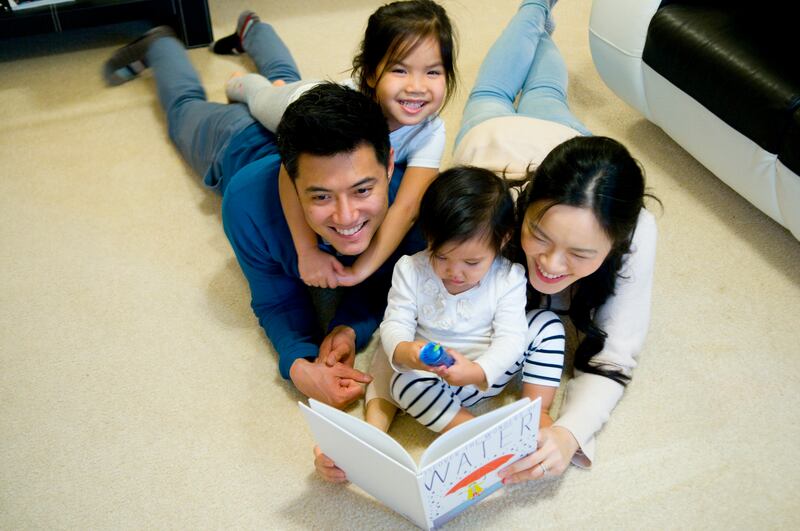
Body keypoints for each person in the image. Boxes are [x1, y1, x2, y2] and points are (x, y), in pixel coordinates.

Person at [102, 28, 425, 409]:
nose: (346, 216)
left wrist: (349, 328)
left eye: (362, 190)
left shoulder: (411, 205)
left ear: (389, 164)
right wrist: (300, 365)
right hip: (234, 139)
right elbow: (276, 299)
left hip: (289, 112)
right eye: (321, 196)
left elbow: (389, 283)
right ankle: (161, 44)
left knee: (284, 87)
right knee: (183, 109)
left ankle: (253, 29)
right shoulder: (247, 203)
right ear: (290, 180)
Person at [450, 0, 659, 483]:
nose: (550, 263)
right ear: (525, 210)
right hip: (493, 140)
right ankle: (535, 7)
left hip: (564, 136)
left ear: (614, 243)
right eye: (538, 236)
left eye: (580, 254)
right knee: (492, 92)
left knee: (546, 91)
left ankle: (540, 20)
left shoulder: (636, 229)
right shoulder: (493, 210)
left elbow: (615, 354)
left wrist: (568, 433)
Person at [314, 165, 565, 483]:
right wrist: (407, 352)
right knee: (403, 381)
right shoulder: (410, 270)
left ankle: (538, 410)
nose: (454, 272)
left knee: (547, 325)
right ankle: (468, 429)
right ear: (428, 237)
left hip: (489, 371)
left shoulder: (508, 277)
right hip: (435, 380)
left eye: (472, 262)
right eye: (441, 256)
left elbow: (511, 339)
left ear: (502, 240)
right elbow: (394, 324)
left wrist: (478, 371)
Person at [210, 1, 457, 291]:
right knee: (259, 97)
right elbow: (291, 174)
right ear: (370, 73)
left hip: (319, 101)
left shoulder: (431, 131)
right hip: (297, 103)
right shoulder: (350, 105)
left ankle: (254, 32)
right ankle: (243, 82)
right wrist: (307, 251)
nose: (417, 87)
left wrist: (359, 271)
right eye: (400, 70)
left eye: (432, 72)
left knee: (282, 76)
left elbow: (407, 208)